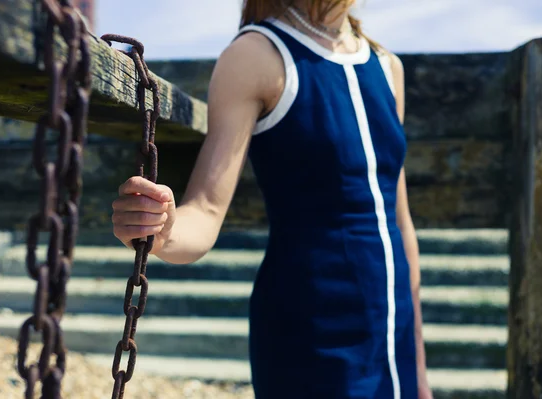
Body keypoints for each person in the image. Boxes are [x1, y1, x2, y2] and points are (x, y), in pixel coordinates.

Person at [111, 0, 432, 397]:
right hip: (308, 330)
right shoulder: (255, 54)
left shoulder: (387, 66)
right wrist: (162, 228)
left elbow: (400, 223)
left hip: (394, 333)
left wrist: (418, 369)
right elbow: (207, 211)